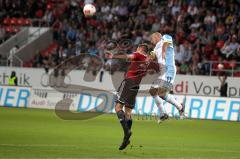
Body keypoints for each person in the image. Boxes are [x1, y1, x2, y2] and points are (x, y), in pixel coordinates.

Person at [106, 44, 149, 150]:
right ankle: (126, 138)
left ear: (140, 49)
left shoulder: (138, 55)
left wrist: (114, 57)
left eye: (137, 48)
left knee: (117, 107)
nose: (136, 50)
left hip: (129, 82)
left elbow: (128, 57)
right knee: (128, 112)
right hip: (136, 85)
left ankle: (127, 131)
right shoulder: (147, 60)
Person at [149, 32, 184, 123]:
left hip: (169, 70)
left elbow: (166, 43)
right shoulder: (155, 48)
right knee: (153, 91)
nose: (151, 41)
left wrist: (164, 51)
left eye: (152, 39)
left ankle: (178, 107)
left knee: (161, 93)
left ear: (157, 36)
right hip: (162, 72)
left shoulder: (165, 37)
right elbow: (152, 58)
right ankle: (166, 112)